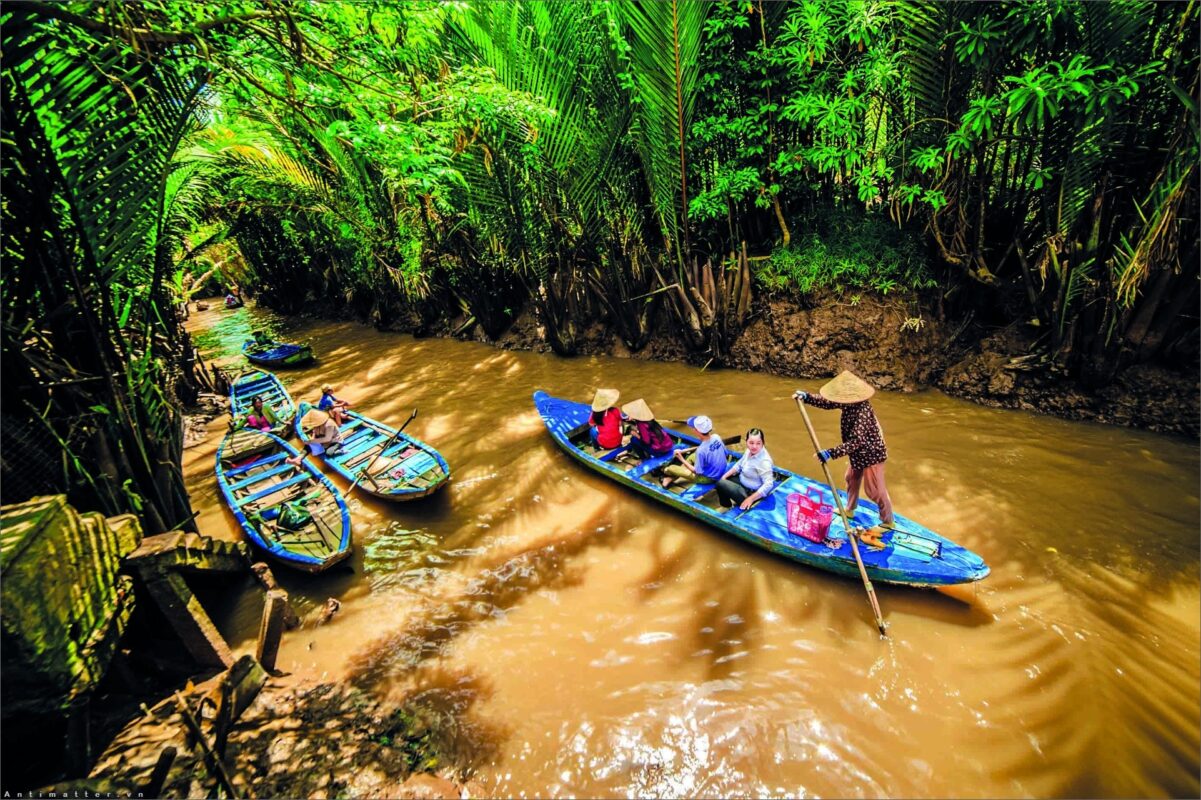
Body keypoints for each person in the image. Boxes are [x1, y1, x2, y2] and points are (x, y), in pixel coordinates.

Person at [794, 370, 893, 536]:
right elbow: (827, 402)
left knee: (874, 490)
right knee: (851, 478)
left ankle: (888, 521)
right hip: (858, 453)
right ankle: (849, 509)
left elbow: (856, 441)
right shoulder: (847, 402)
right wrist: (807, 397)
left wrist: (830, 453)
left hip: (872, 454)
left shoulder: (862, 410)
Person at [660, 415, 728, 489]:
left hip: (708, 478)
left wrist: (681, 458)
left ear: (697, 431)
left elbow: (697, 472)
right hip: (721, 470)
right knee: (692, 457)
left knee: (670, 468)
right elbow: (726, 453)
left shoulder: (701, 450)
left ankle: (668, 479)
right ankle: (678, 472)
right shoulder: (716, 437)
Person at [716, 428, 775, 510]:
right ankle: (727, 504)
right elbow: (739, 465)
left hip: (751, 492)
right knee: (722, 478)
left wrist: (750, 499)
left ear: (763, 443)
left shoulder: (764, 461)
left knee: (720, 484)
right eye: (751, 443)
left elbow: (769, 484)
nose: (754, 446)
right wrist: (724, 476)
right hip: (742, 480)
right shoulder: (749, 451)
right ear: (746, 441)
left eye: (758, 443)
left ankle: (726, 507)